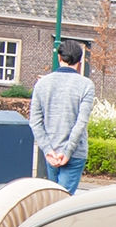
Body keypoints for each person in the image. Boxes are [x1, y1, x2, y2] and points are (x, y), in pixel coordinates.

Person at [29, 40, 95, 195]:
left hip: (51, 152)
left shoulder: (42, 84)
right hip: (75, 152)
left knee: (52, 199)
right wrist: (67, 151)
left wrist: (48, 150)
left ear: (59, 58)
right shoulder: (86, 85)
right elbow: (81, 123)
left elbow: (35, 122)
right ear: (80, 62)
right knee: (63, 202)